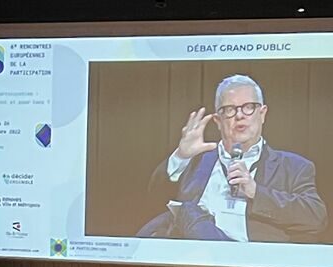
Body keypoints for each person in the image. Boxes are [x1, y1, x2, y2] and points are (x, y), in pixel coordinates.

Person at [137, 74, 327, 243]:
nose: (239, 115)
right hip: (193, 259)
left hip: (253, 265)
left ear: (262, 114)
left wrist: (255, 192)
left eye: (248, 107)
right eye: (229, 109)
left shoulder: (293, 167)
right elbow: (153, 200)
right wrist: (181, 156)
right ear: (218, 121)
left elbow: (316, 219)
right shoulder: (196, 161)